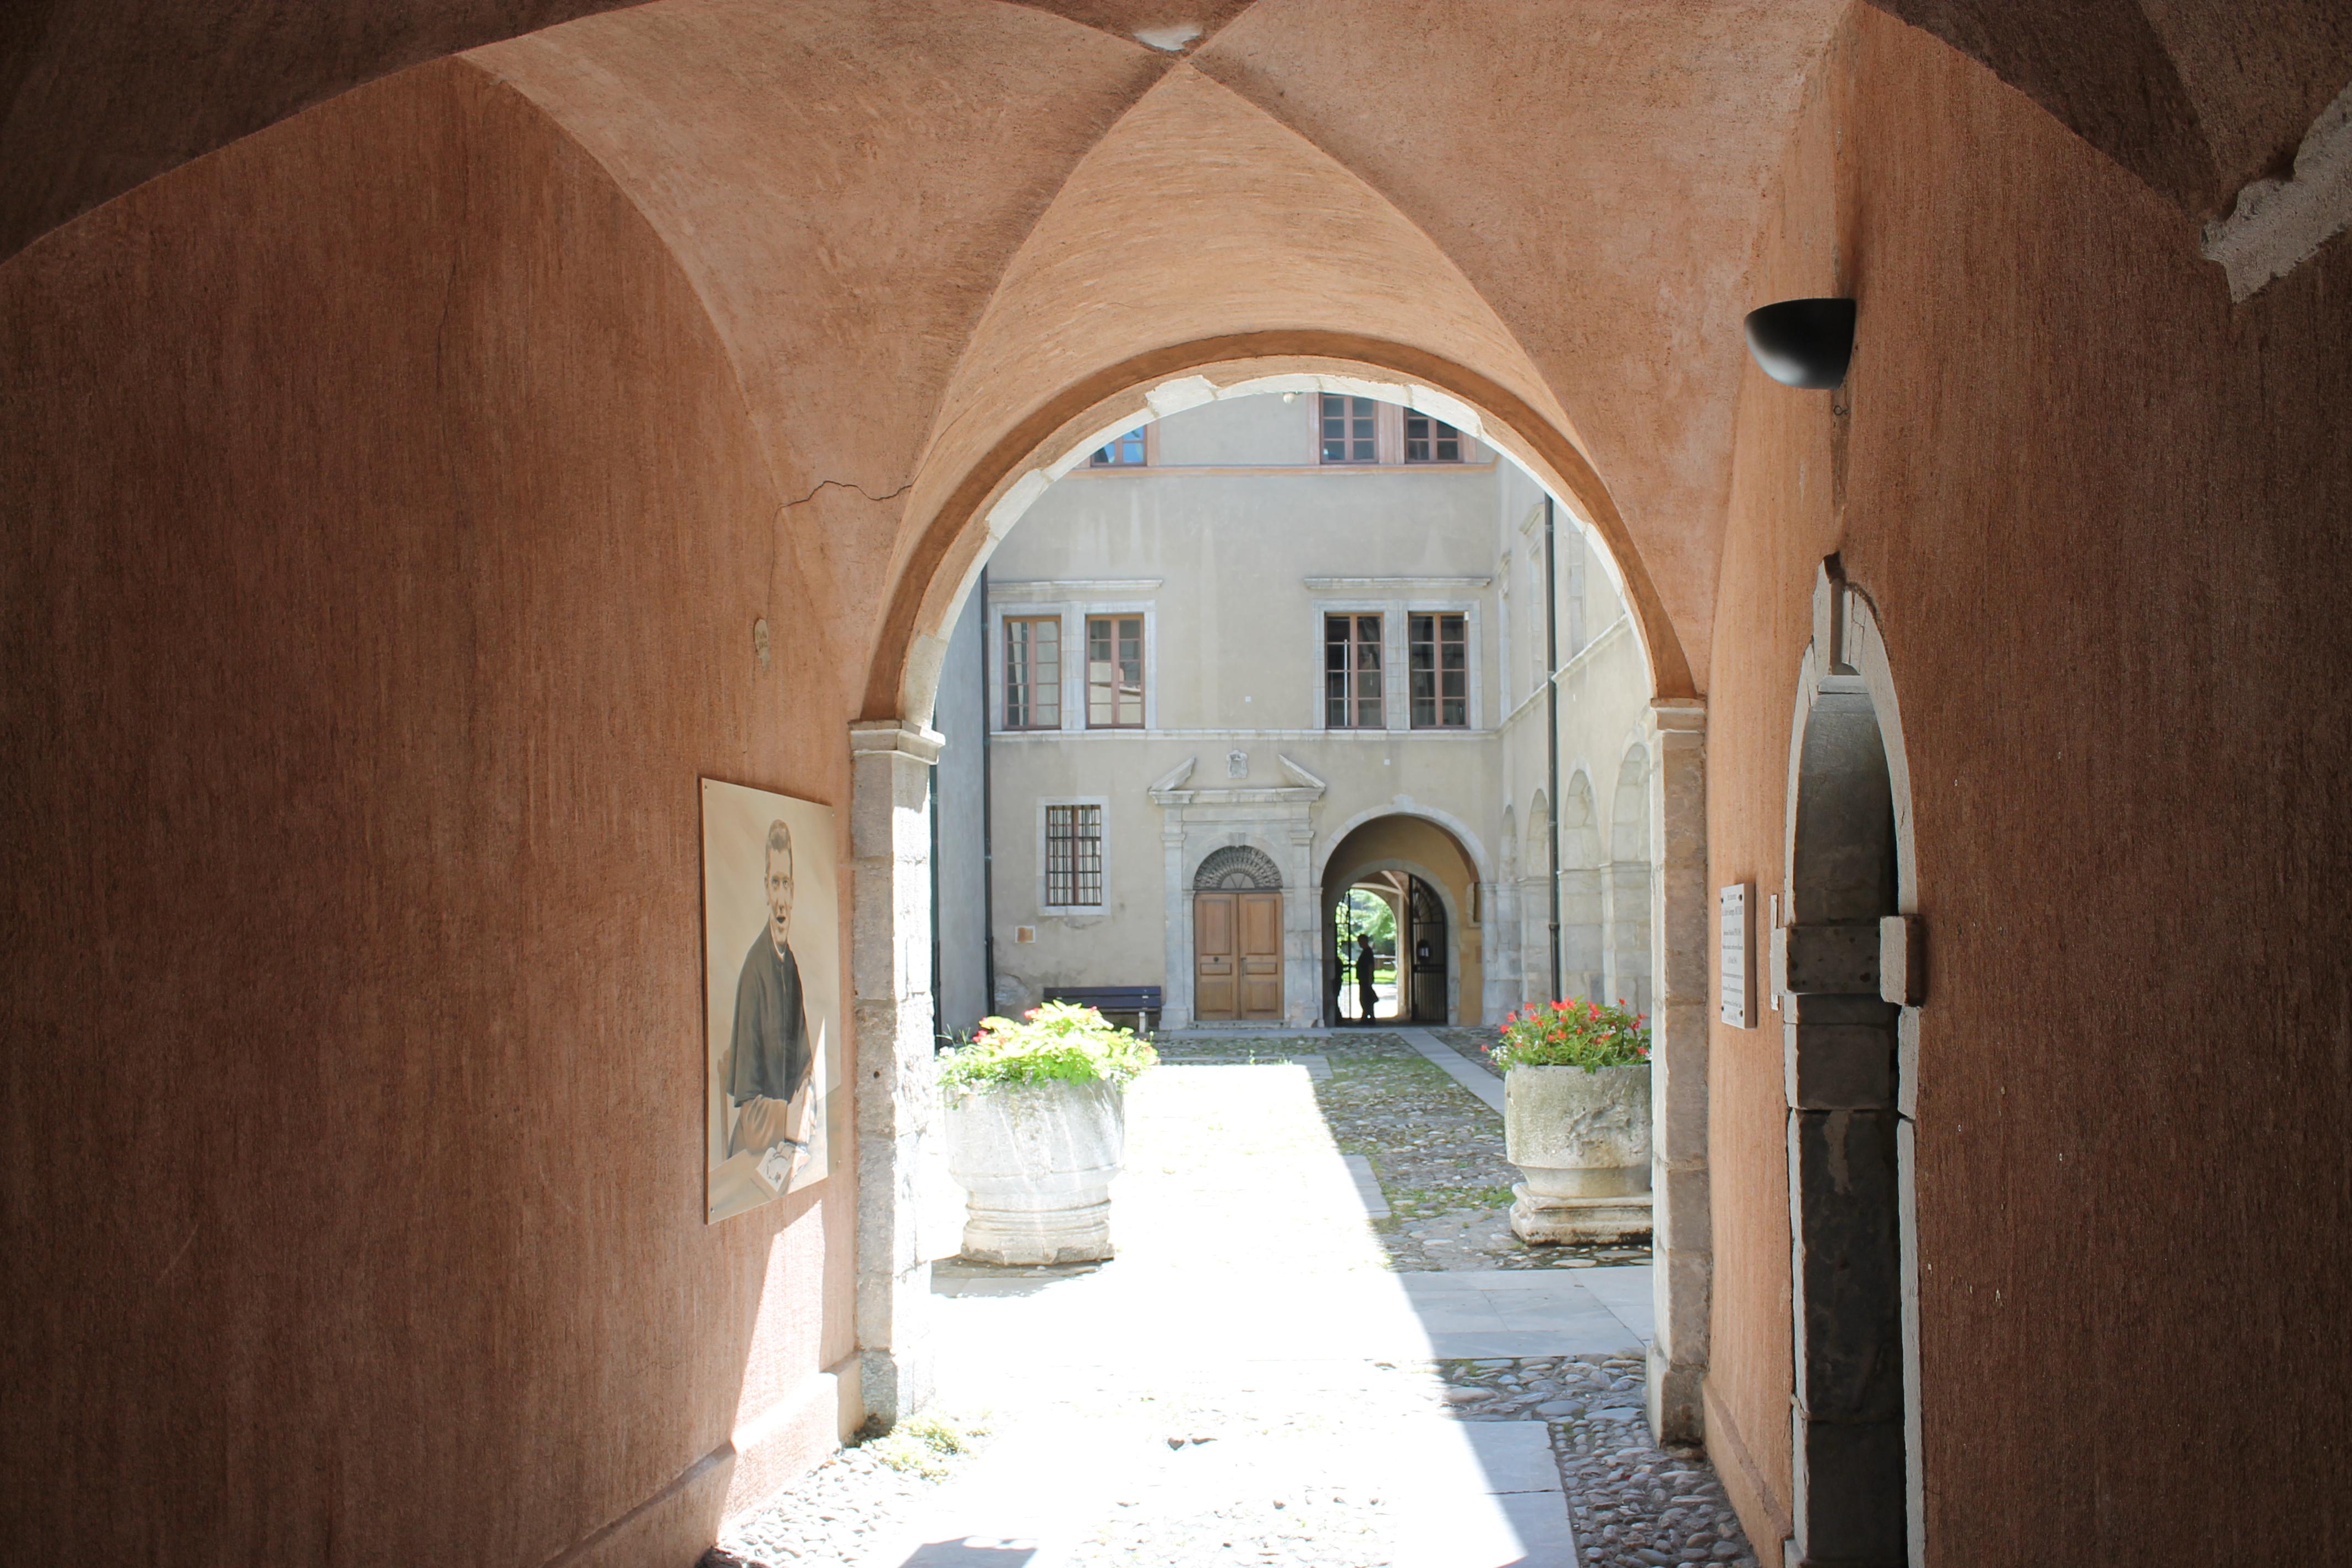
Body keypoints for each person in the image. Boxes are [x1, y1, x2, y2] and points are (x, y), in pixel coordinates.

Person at [726, 819, 815, 1183]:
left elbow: (806, 1065)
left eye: (787, 884)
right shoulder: (754, 971)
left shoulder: (789, 963)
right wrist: (792, 1116)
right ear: (767, 889)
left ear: (794, 894)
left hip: (787, 1147)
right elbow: (751, 1112)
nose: (781, 898)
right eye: (775, 883)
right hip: (750, 1160)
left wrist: (806, 1096)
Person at [1355, 934, 1379, 1022]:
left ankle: (1367, 1017)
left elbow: (1370, 966)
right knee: (1367, 998)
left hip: (1366, 979)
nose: (1359, 943)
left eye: (1360, 941)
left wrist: (1370, 979)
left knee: (1366, 998)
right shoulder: (1366, 952)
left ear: (1365, 941)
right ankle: (1368, 1016)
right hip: (1364, 979)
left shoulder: (1368, 952)